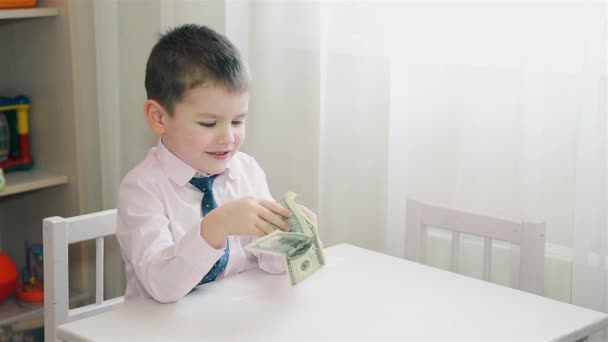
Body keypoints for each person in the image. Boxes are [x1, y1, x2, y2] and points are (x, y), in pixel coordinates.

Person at [116, 24, 317, 303]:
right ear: (159, 117)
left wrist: (288, 237)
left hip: (229, 319)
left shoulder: (247, 171)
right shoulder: (142, 189)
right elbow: (162, 286)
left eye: (238, 121)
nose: (228, 138)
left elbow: (271, 268)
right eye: (209, 123)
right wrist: (213, 228)